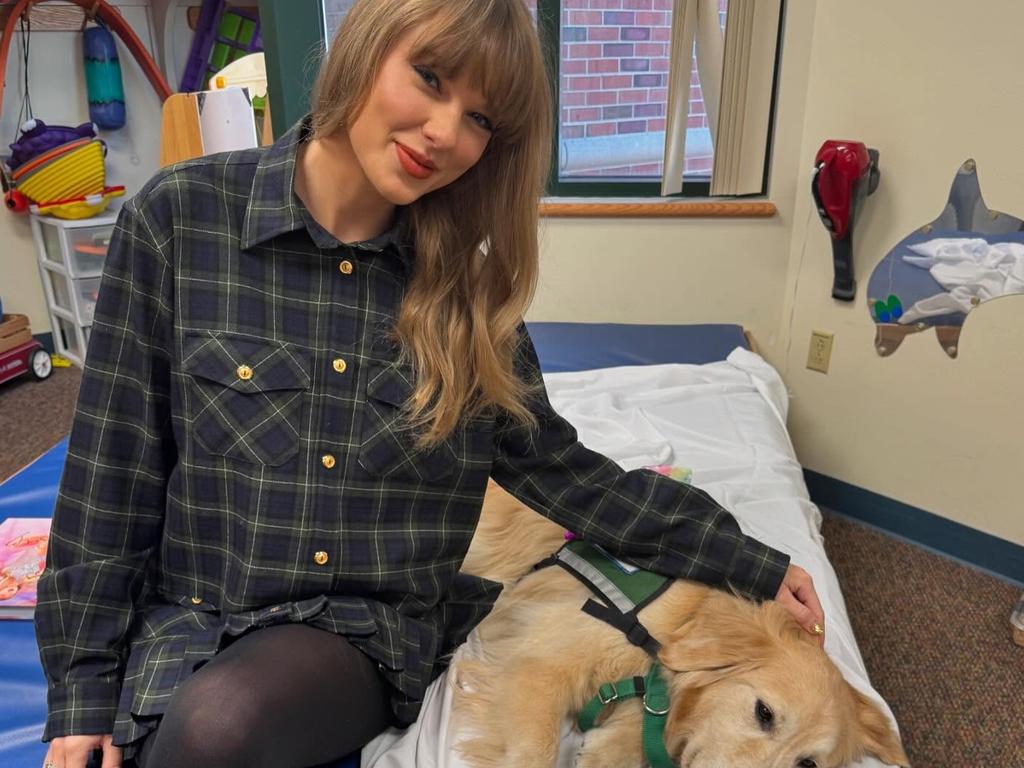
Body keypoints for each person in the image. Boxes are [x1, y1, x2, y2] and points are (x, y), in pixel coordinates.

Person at [36, 1, 825, 766]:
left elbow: (570, 478)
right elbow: (112, 477)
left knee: (220, 728)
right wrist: (81, 688)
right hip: (193, 609)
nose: (447, 133)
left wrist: (752, 560)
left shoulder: (469, 300)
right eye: (431, 77)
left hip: (352, 634)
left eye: (482, 120)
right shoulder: (179, 221)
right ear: (367, 48)